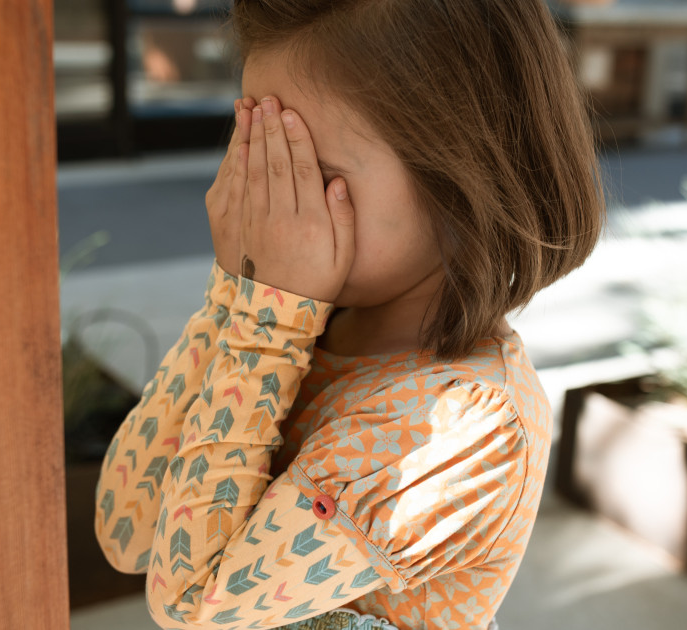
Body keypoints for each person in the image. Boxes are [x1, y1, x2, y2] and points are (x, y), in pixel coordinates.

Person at [94, 1, 606, 628]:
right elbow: (128, 530)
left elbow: (191, 602)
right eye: (259, 158)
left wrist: (264, 323)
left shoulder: (462, 424)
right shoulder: (297, 326)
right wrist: (236, 293)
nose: (268, 203)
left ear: (464, 177)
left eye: (306, 173)